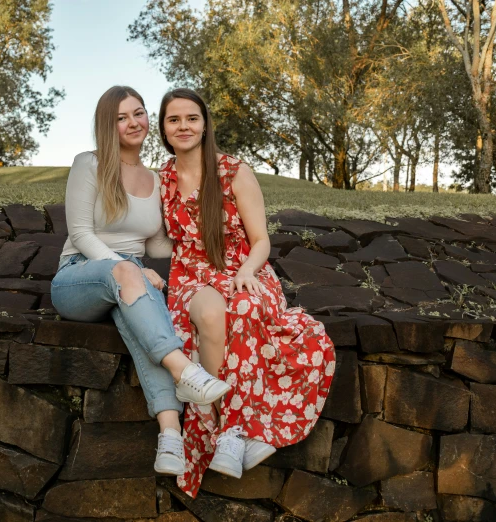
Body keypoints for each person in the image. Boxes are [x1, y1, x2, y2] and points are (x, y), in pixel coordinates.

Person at [158, 88, 337, 497]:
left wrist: (246, 271)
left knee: (242, 307)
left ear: (204, 125)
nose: (183, 126)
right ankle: (233, 430)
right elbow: (155, 237)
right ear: (165, 130)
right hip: (191, 278)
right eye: (174, 120)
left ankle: (230, 433)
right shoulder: (162, 180)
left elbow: (261, 241)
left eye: (191, 118)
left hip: (244, 270)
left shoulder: (234, 172)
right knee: (207, 316)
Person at [51, 86, 231, 477]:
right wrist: (127, 265)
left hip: (129, 279)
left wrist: (212, 231)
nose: (133, 122)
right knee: (130, 275)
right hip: (79, 276)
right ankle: (186, 372)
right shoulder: (90, 163)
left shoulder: (154, 179)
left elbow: (160, 243)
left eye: (139, 113)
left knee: (141, 327)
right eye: (120, 117)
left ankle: (169, 434)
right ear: (107, 125)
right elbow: (81, 234)